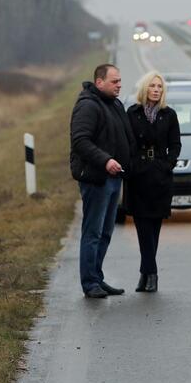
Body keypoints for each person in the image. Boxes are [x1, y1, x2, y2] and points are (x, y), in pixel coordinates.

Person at [70, 64, 135, 298]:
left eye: (120, 81)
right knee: (93, 232)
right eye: (114, 81)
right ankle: (89, 283)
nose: (119, 85)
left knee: (106, 232)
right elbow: (80, 140)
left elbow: (125, 137)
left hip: (114, 178)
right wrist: (106, 161)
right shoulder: (88, 106)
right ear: (99, 83)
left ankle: (97, 278)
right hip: (96, 179)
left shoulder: (115, 104)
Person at [126, 71, 181, 292]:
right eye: (152, 86)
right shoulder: (132, 113)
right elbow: (127, 143)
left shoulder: (169, 115)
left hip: (160, 176)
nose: (157, 89)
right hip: (138, 175)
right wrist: (132, 166)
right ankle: (150, 273)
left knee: (154, 227)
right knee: (142, 227)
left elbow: (176, 144)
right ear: (144, 89)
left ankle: (147, 274)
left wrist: (167, 165)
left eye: (160, 86)